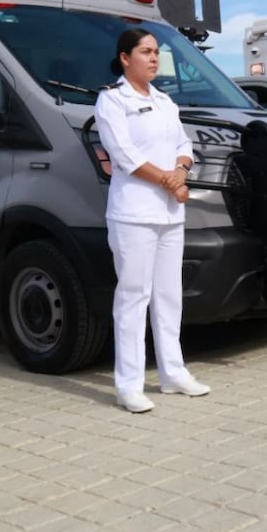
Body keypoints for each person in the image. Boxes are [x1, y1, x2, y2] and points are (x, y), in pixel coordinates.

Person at [94, 28, 210, 413]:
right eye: (145, 52)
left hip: (169, 213)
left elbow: (183, 144)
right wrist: (168, 181)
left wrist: (180, 171)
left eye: (156, 52)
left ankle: (172, 372)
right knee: (133, 297)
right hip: (134, 212)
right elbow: (123, 155)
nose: (154, 58)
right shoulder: (112, 100)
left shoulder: (164, 101)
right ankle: (128, 384)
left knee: (168, 295)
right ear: (125, 58)